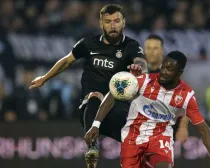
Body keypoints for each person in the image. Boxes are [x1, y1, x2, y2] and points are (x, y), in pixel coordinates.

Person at [29, 4, 147, 168]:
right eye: (108, 21)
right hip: (90, 109)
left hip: (117, 109)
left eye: (116, 21)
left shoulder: (131, 46)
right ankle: (92, 149)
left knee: (141, 148)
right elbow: (66, 61)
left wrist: (139, 70)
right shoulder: (88, 43)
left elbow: (141, 64)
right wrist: (45, 78)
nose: (113, 26)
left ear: (123, 23)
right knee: (94, 96)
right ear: (101, 24)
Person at [85, 51, 210, 168]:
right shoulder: (143, 81)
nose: (164, 71)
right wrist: (96, 124)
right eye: (163, 66)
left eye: (170, 69)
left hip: (160, 136)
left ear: (179, 73)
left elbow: (203, 128)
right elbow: (113, 93)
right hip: (133, 136)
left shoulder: (186, 95)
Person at [144, 34, 189, 143]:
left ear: (162, 50)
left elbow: (186, 102)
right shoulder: (138, 72)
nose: (151, 52)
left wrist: (183, 127)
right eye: (148, 48)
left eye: (155, 48)